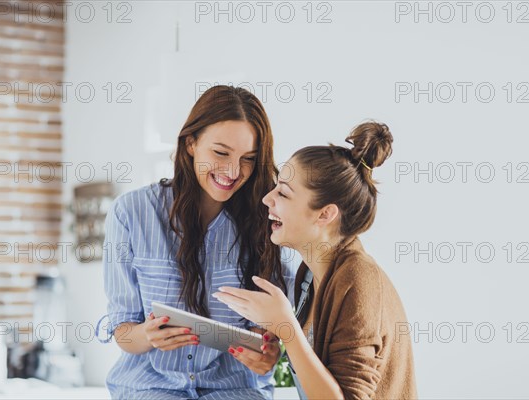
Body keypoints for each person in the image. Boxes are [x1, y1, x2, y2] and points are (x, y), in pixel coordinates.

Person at [96, 85, 298, 399]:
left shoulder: (267, 221)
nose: (233, 171)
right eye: (220, 153)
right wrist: (146, 335)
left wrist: (267, 353)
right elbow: (124, 332)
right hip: (151, 387)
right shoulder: (131, 212)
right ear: (191, 143)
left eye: (248, 158)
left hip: (234, 388)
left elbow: (272, 331)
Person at [214, 121, 418, 399]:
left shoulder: (359, 281)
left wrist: (287, 328)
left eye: (283, 193)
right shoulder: (309, 275)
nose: (267, 199)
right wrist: (278, 337)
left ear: (325, 215)